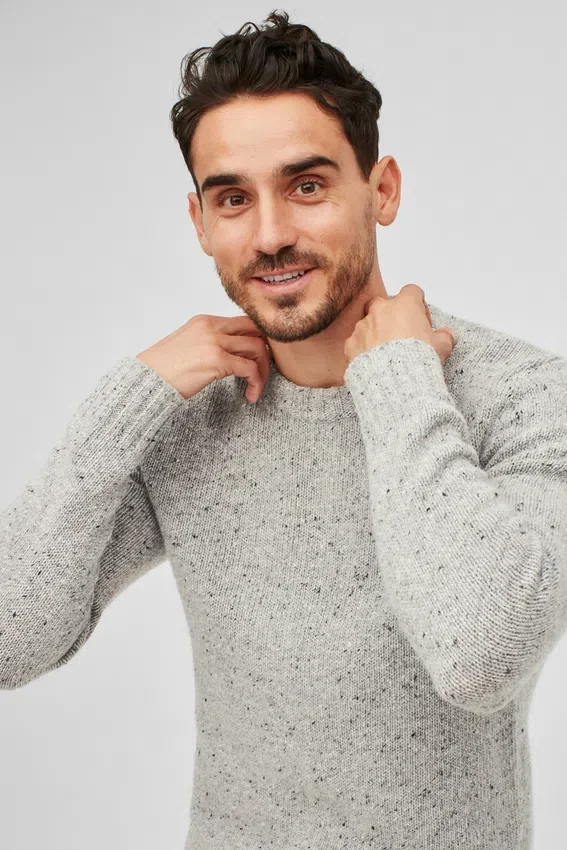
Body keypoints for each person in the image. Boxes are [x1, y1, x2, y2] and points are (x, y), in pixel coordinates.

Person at [2, 10, 566, 849]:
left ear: (381, 191)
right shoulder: (188, 416)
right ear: (199, 222)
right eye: (233, 198)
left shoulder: (524, 396)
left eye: (306, 185)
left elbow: (480, 656)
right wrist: (122, 404)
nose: (269, 236)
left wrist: (397, 382)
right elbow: (10, 640)